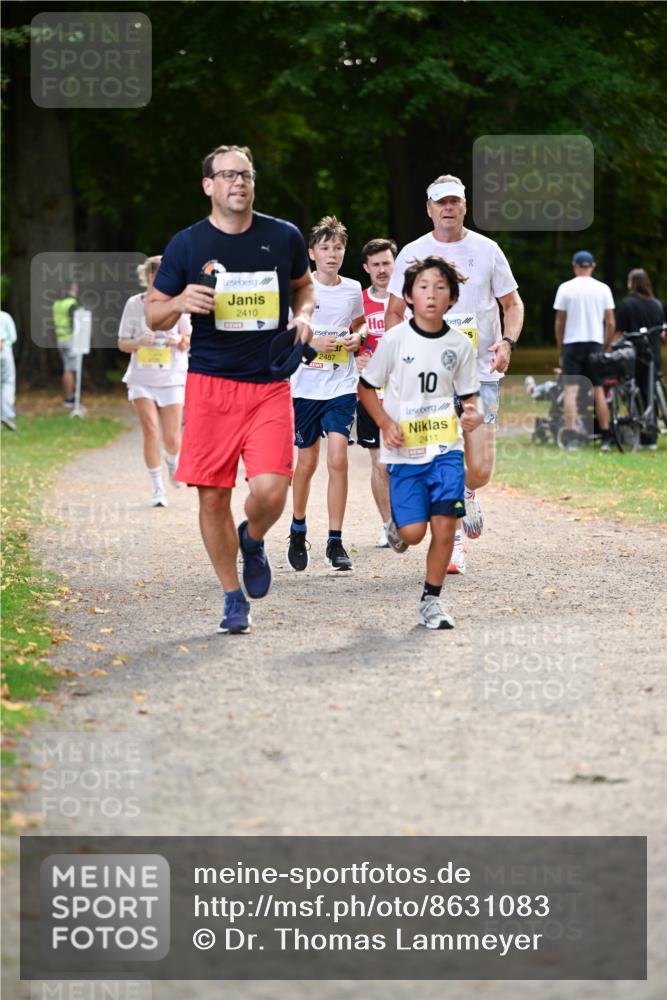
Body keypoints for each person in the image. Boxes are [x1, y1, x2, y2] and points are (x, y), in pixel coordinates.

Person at [145, 144, 314, 635]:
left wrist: (302, 317)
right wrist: (178, 300)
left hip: (267, 383)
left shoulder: (283, 236)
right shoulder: (187, 245)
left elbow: (304, 286)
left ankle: (253, 537)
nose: (239, 183)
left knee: (271, 491)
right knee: (212, 497)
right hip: (210, 385)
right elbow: (154, 313)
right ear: (209, 186)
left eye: (246, 175)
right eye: (228, 175)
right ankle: (231, 596)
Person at [385, 174, 523, 574]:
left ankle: (466, 491)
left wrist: (507, 342)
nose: (448, 208)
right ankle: (454, 540)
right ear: (429, 209)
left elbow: (512, 303)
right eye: (440, 202)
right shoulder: (412, 253)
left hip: (479, 373)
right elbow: (395, 311)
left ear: (465, 206)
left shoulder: (488, 250)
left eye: (455, 202)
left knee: (479, 467)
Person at [358, 256, 482, 629]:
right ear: (409, 295)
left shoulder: (460, 346)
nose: (431, 294)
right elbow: (366, 388)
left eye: (440, 287)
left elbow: (470, 398)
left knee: (444, 525)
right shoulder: (396, 339)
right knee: (413, 535)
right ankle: (399, 523)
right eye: (423, 287)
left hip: (446, 448)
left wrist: (472, 414)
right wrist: (385, 423)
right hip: (405, 451)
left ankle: (431, 600)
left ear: (453, 298)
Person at [287, 216, 366, 573]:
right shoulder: (301, 287)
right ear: (311, 252)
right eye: (325, 248)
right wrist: (309, 340)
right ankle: (298, 527)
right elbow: (284, 330)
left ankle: (335, 541)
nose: (332, 254)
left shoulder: (352, 288)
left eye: (338, 248)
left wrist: (357, 338)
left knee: (338, 458)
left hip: (341, 383)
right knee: (307, 463)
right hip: (305, 386)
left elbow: (359, 323)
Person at [118, 256, 191, 507]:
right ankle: (158, 488)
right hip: (141, 378)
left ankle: (172, 460)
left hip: (171, 377)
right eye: (155, 275)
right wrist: (139, 342)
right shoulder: (134, 304)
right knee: (151, 430)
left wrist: (177, 341)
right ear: (147, 277)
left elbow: (188, 339)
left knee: (172, 439)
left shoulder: (177, 304)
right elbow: (122, 343)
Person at [355, 238, 398, 548]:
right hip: (370, 393)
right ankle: (388, 525)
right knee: (380, 463)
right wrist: (353, 353)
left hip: (405, 393)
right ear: (366, 268)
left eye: (387, 263)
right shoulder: (358, 302)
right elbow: (345, 335)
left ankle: (411, 517)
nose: (382, 270)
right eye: (376, 265)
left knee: (408, 462)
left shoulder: (409, 299)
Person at [553, 250, 615, 451]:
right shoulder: (603, 289)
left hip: (572, 343)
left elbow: (560, 322)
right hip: (595, 342)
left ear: (574, 266)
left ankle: (571, 437)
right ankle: (606, 435)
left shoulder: (565, 288)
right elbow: (611, 322)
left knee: (571, 390)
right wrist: (605, 345)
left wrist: (561, 347)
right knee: (598, 389)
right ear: (593, 266)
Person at [615, 268, 665, 450]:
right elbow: (661, 332)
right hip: (653, 355)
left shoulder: (627, 304)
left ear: (631, 283)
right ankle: (650, 436)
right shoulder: (657, 304)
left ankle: (641, 432)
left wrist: (608, 348)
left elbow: (619, 332)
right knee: (649, 393)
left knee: (634, 393)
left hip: (633, 356)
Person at [51, 282, 79, 406]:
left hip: (60, 338)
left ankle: (69, 396)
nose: (76, 292)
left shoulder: (57, 304)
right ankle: (71, 398)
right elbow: (76, 323)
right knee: (71, 369)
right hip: (71, 339)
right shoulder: (71, 304)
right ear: (70, 290)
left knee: (67, 368)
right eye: (75, 289)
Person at [0, 309, 17, 431]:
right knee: (7, 382)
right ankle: (7, 415)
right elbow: (13, 337)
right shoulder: (5, 316)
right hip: (5, 352)